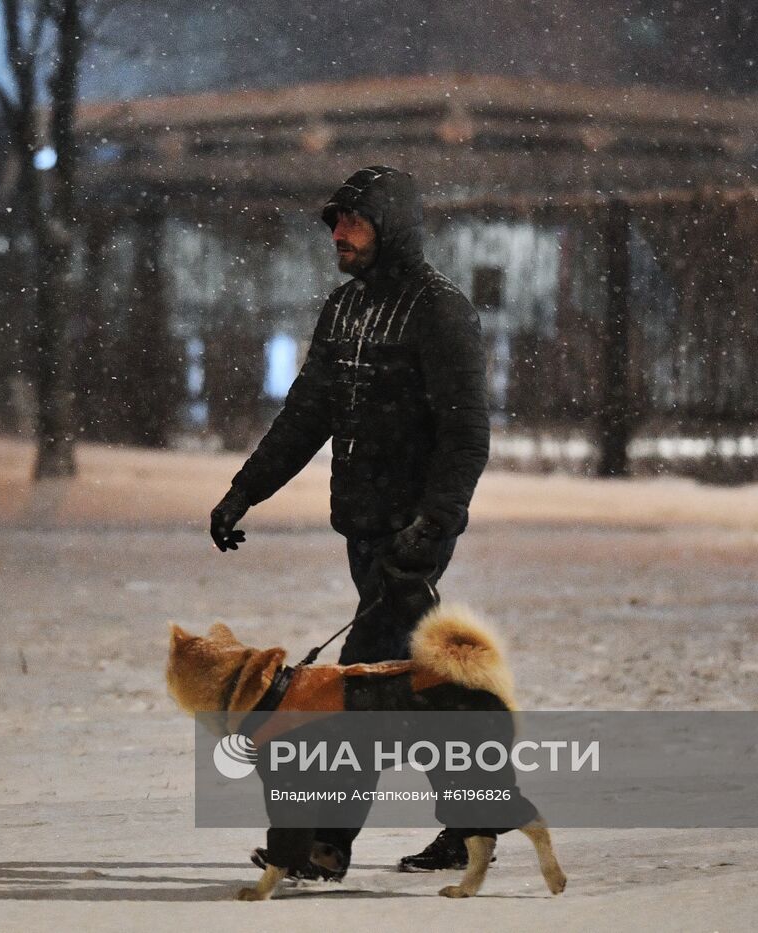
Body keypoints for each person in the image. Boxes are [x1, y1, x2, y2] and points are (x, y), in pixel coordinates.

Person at [209, 165, 490, 877]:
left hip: (413, 536)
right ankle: (474, 818)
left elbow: (465, 435)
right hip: (364, 531)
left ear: (390, 226)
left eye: (352, 222)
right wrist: (245, 490)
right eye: (334, 222)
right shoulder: (343, 310)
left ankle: (323, 840)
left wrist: (432, 524)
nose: (337, 234)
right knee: (417, 678)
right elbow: (306, 415)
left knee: (354, 684)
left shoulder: (440, 312)